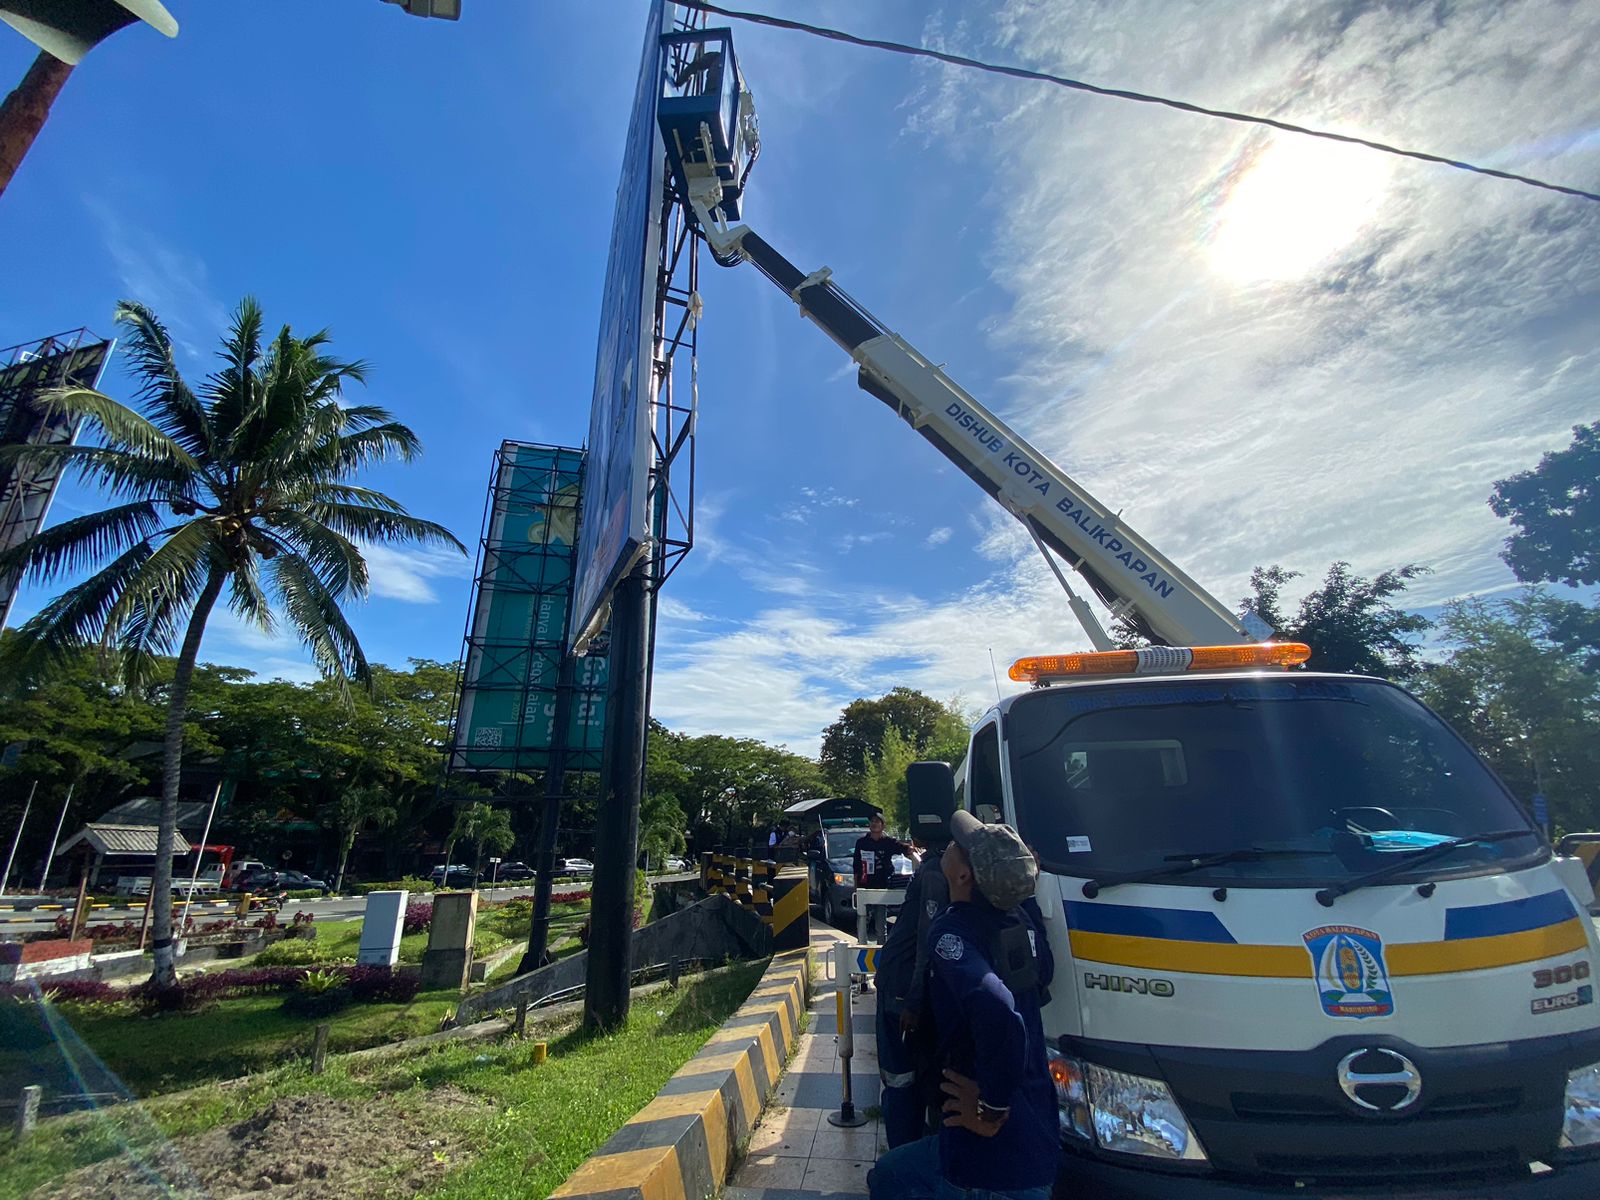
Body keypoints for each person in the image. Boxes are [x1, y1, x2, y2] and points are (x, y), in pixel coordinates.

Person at [867, 811, 1058, 1200]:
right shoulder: (1021, 919)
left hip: (984, 1159)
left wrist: (992, 1106)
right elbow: (1042, 977)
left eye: (957, 846)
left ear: (963, 876)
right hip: (1035, 1138)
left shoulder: (955, 929)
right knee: (890, 1174)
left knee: (893, 1179)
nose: (948, 847)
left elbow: (999, 1008)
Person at [874, 830, 951, 1148]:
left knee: (904, 1082)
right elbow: (928, 939)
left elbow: (927, 940)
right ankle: (904, 1162)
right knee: (907, 1083)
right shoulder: (939, 870)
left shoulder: (935, 869)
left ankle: (904, 1160)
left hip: (904, 992)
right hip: (906, 993)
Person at [854, 812, 910, 943]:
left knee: (880, 925)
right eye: (872, 821)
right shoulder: (861, 843)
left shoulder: (888, 842)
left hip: (882, 888)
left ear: (883, 826)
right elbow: (856, 865)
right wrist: (855, 888)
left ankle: (881, 952)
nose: (874, 824)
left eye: (877, 821)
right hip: (864, 887)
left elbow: (902, 848)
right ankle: (861, 947)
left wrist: (911, 850)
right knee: (862, 922)